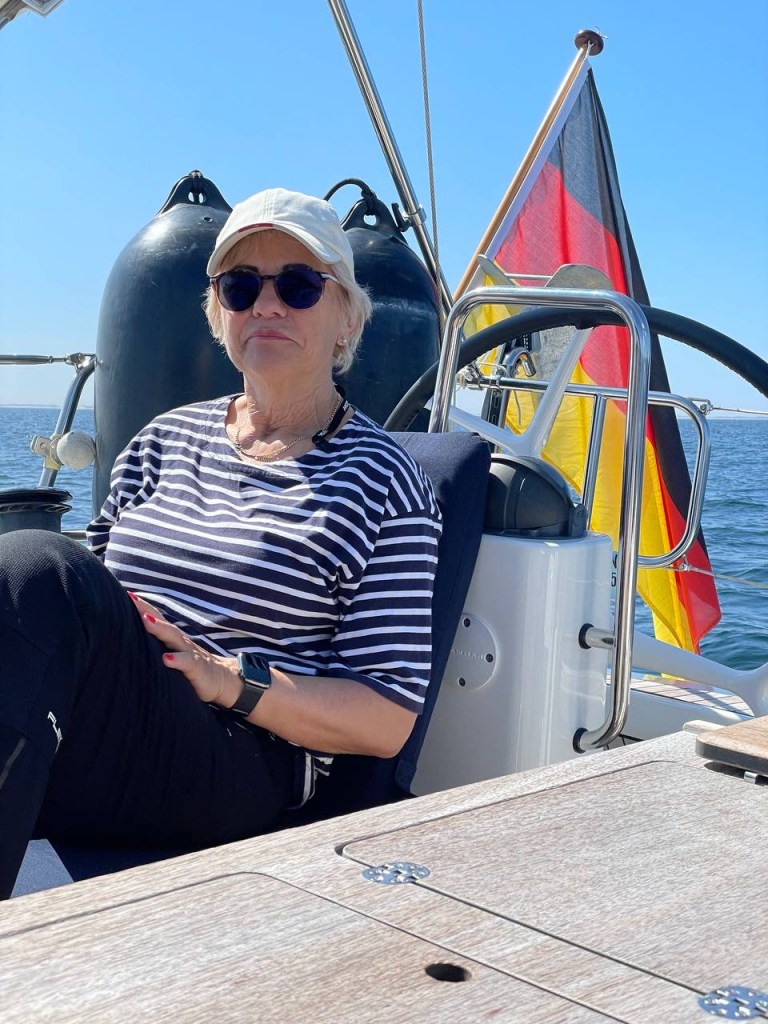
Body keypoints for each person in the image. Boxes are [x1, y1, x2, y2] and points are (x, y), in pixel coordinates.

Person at [0, 187, 442, 899]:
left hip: (241, 756)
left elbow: (386, 716)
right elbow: (91, 609)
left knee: (35, 566)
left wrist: (229, 678)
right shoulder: (162, 441)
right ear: (218, 313)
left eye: (298, 285)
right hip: (116, 722)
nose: (266, 305)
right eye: (241, 286)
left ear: (346, 318)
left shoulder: (385, 480)